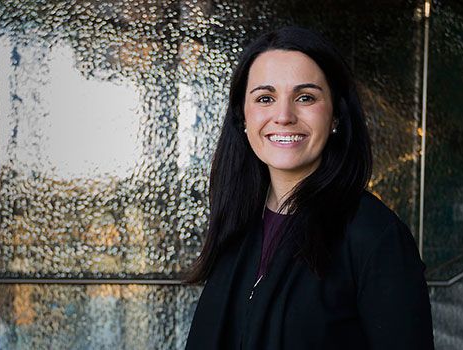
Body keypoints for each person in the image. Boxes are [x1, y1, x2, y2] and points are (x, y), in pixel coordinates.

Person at [184, 26, 434, 349]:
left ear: (335, 117)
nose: (284, 116)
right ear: (243, 117)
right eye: (265, 98)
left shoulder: (375, 237)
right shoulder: (237, 224)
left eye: (305, 97)